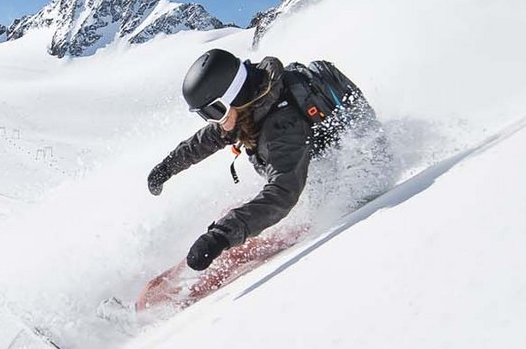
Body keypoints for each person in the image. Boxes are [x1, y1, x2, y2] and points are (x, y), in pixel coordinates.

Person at [146, 49, 382, 272]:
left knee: (244, 237)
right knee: (234, 218)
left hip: (344, 183)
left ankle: (184, 291)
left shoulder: (281, 126)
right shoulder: (253, 103)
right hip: (313, 174)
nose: (212, 122)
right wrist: (167, 167)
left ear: (231, 100)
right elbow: (208, 139)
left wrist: (219, 237)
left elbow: (282, 193)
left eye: (212, 113)